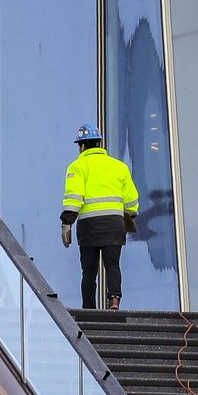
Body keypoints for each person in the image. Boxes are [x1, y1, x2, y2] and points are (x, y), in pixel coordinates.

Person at [58, 124, 139, 310]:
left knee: (88, 271)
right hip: (114, 225)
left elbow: (73, 197)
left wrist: (66, 222)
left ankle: (89, 308)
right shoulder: (119, 167)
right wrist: (129, 219)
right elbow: (132, 199)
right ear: (99, 144)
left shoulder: (77, 167)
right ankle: (114, 300)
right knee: (112, 265)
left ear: (82, 146)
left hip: (89, 226)